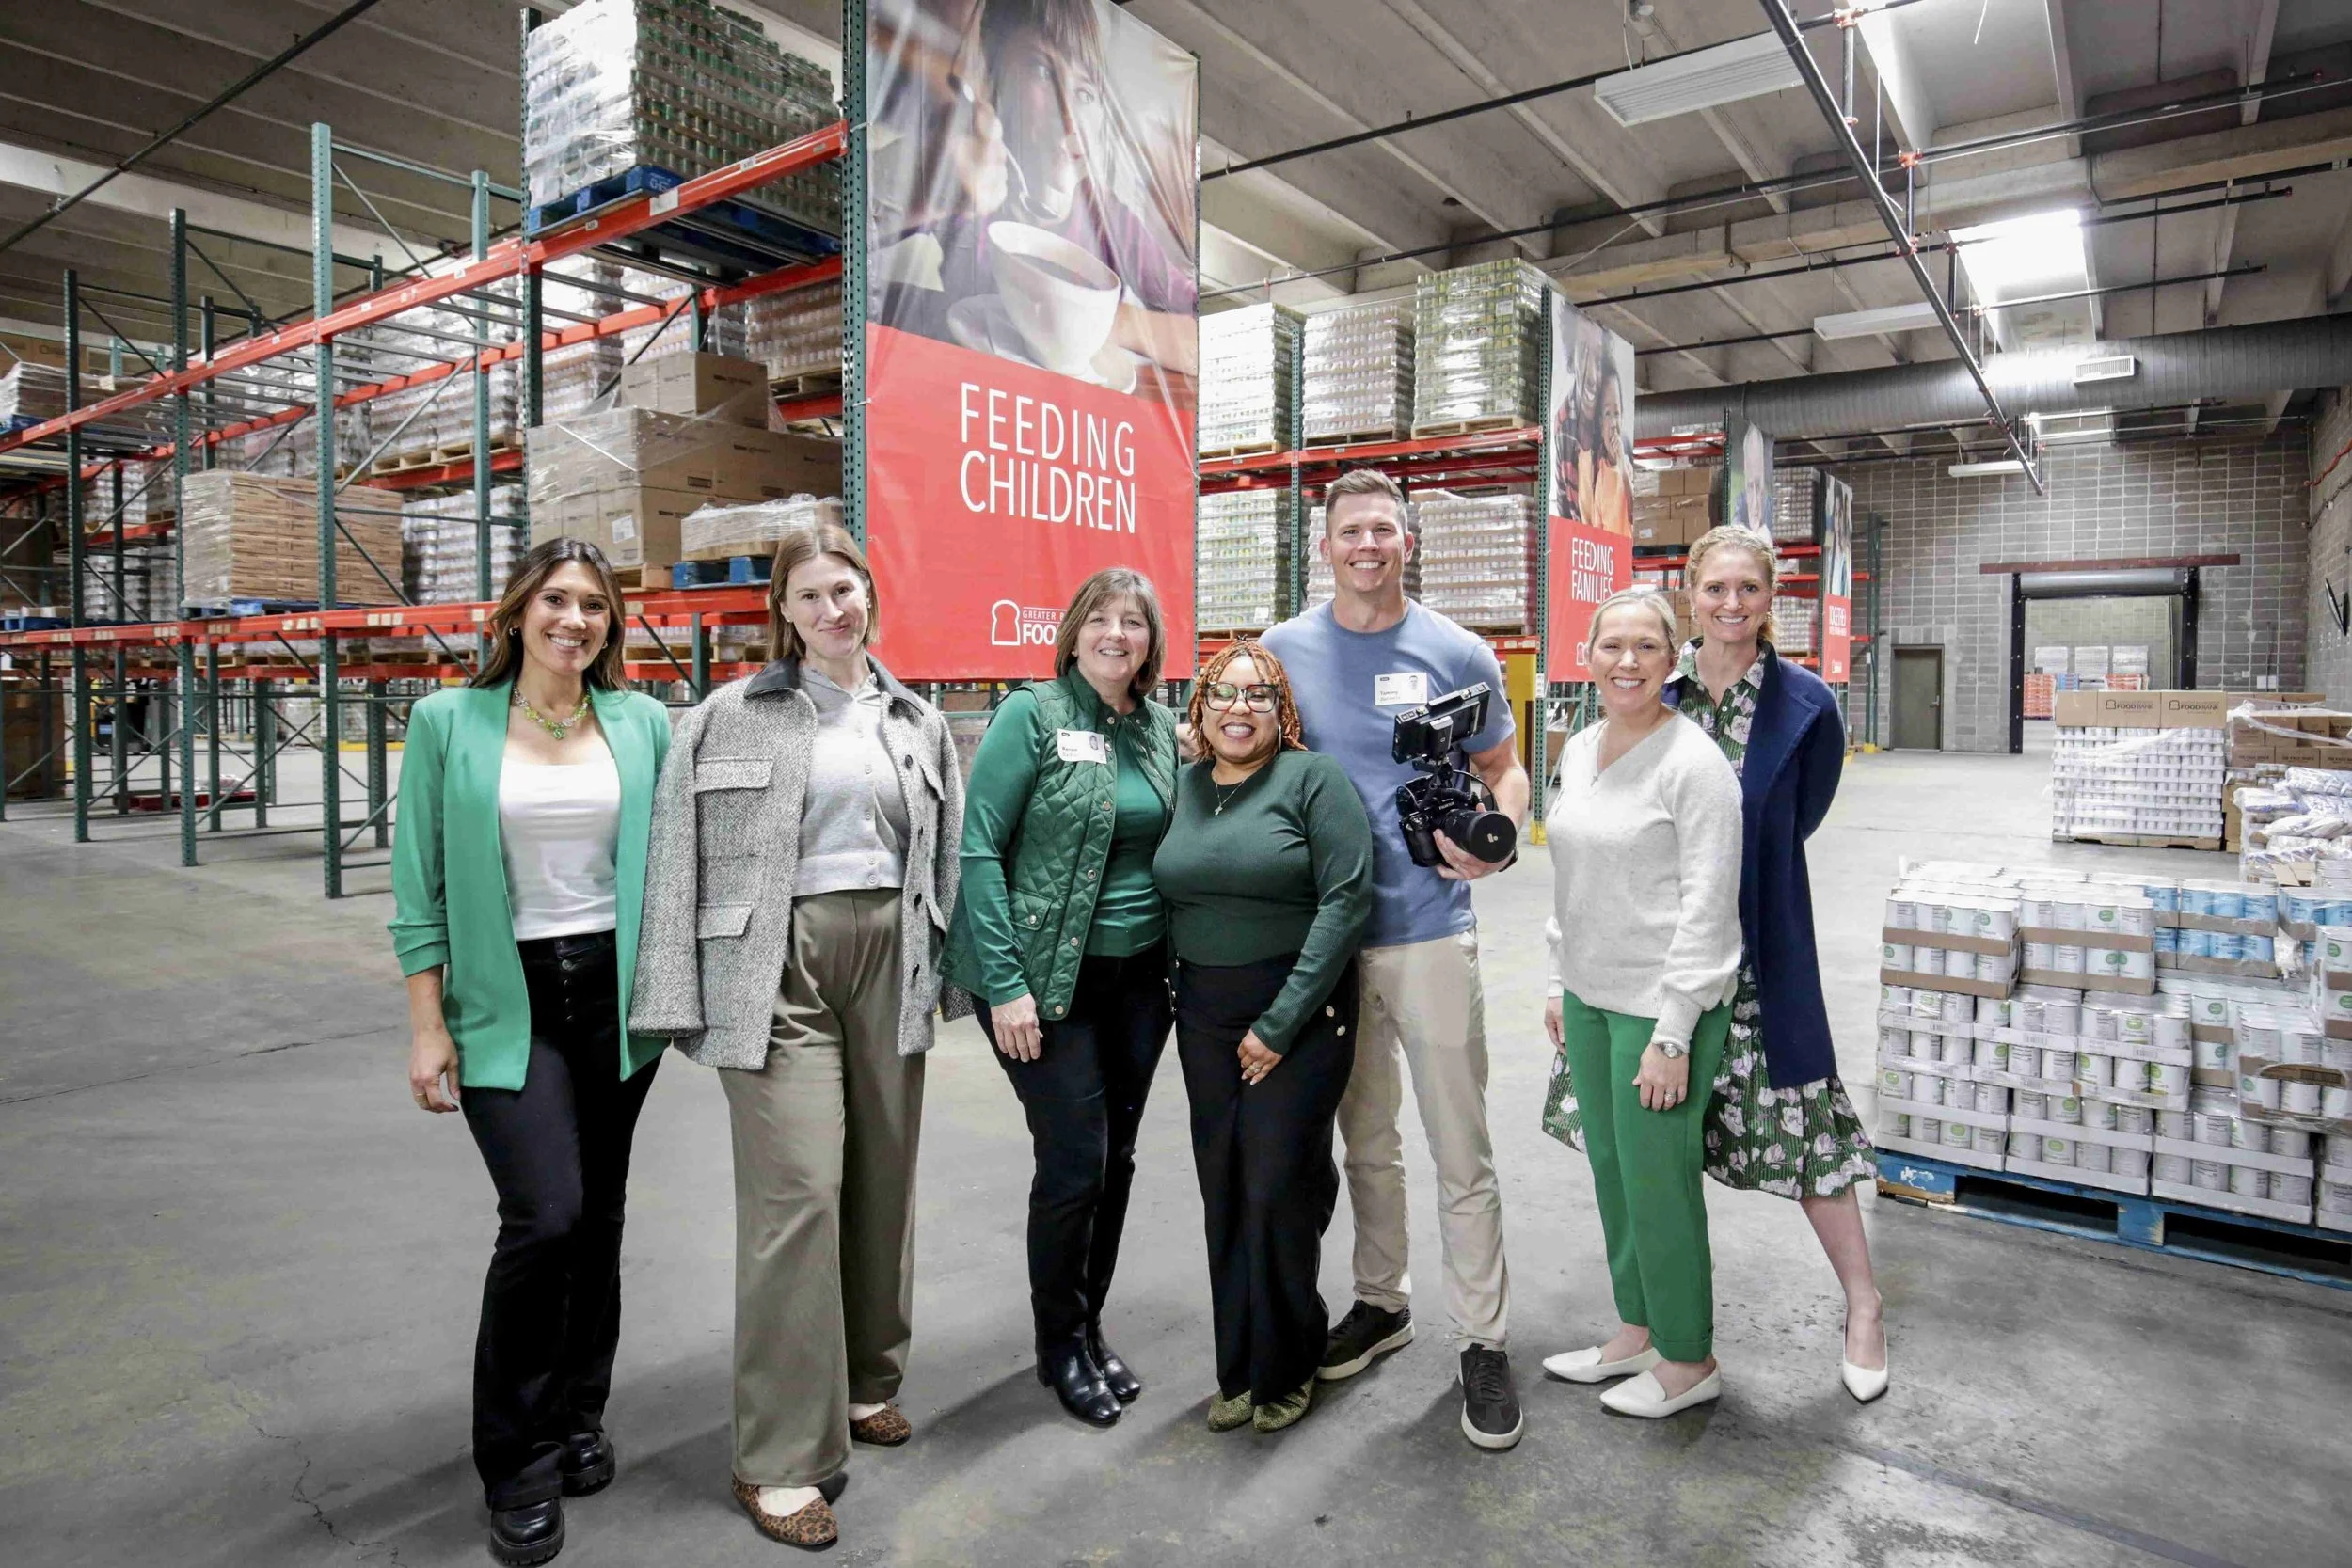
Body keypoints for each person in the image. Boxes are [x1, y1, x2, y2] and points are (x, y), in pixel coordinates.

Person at [629, 523, 965, 1552]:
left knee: (882, 1180)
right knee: (798, 1195)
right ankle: (776, 1456)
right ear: (782, 611)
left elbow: (941, 859)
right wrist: (672, 998)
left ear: (872, 595)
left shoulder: (914, 716)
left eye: (848, 590)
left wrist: (943, 978)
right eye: (812, 595)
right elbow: (674, 858)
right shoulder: (729, 716)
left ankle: (866, 1378)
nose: (834, 610)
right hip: (776, 963)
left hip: (890, 956)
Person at [389, 538, 675, 1567]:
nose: (575, 619)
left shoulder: (642, 722)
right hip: (504, 999)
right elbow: (417, 889)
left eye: (595, 604)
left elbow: (680, 858)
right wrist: (429, 1023)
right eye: (556, 599)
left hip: (616, 996)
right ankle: (514, 1455)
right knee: (543, 1214)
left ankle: (576, 1413)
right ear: (516, 611)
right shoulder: (446, 722)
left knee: (597, 1215)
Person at [1259, 467, 1533, 1452]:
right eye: (1350, 531)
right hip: (1328, 941)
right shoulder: (1280, 652)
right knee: (1364, 1138)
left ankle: (1484, 1338)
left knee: (1461, 1146)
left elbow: (1502, 762)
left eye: (1383, 529)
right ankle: (1383, 1301)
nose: (1367, 545)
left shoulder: (1455, 648)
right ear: (1322, 545)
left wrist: (1500, 823)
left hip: (1429, 928)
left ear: (1407, 541)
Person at [942, 567, 1178, 1427]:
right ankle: (1058, 1345)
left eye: (1136, 622)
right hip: (1048, 982)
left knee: (1116, 1158)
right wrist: (1005, 985)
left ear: (1151, 641)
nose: (1119, 635)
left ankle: (1089, 1328)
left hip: (1142, 982)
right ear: (1074, 632)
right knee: (1075, 1159)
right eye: (1103, 620)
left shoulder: (1156, 730)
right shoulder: (1031, 715)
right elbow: (977, 849)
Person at [1676, 525, 1886, 1401]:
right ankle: (1654, 1324)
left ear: (1771, 598)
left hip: (1761, 949)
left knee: (1804, 1132)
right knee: (1652, 1145)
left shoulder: (1806, 705)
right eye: (1715, 588)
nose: (1731, 605)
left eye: (1748, 590)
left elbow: (1800, 816)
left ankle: (1865, 1305)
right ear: (1689, 591)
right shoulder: (1657, 684)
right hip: (1660, 954)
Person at [1154, 641, 1373, 1434]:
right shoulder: (1183, 787)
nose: (1238, 710)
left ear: (1282, 711)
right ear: (1200, 711)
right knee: (1225, 1185)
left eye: (1257, 696)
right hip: (1204, 1014)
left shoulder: (1314, 781)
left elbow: (1346, 901)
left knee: (1278, 1183)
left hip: (1299, 1009)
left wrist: (1279, 1023)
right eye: (1222, 695)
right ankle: (1239, 1367)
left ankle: (1289, 1361)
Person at [1539, 588, 1743, 1418]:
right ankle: (1640, 1326)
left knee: (1660, 1180)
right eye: (1612, 645)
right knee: (1615, 1172)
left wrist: (1674, 1030)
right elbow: (1570, 875)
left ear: (1673, 659)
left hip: (1662, 1005)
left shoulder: (1694, 763)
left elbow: (1710, 903)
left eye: (1647, 647)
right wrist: (1559, 978)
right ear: (1587, 655)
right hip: (1591, 995)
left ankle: (1690, 1357)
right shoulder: (1583, 746)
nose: (1628, 662)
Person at [873, 0, 1199, 379]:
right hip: (974, 403)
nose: (1068, 117)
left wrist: (1099, 321)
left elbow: (1207, 339)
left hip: (1076, 422)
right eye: (1042, 70)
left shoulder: (1109, 218)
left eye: (1086, 94)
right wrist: (922, 190)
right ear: (993, 83)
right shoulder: (965, 182)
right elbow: (840, 238)